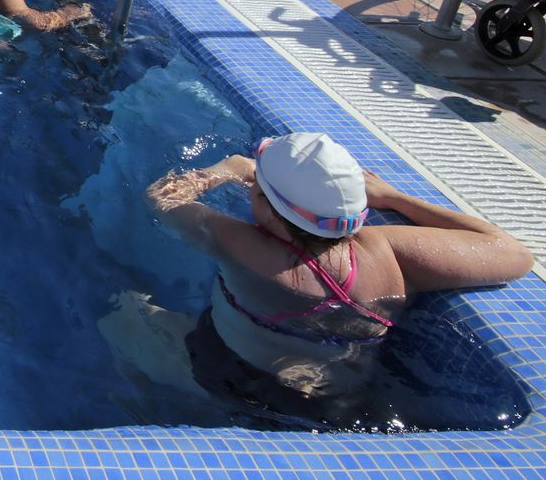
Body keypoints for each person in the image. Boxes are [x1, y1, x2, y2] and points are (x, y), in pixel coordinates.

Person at [102, 133, 531, 422]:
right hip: (340, 403)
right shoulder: (390, 251)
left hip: (237, 383)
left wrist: (228, 169)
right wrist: (397, 197)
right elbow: (514, 252)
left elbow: (162, 193)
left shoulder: (238, 245)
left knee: (120, 312)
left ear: (265, 204)